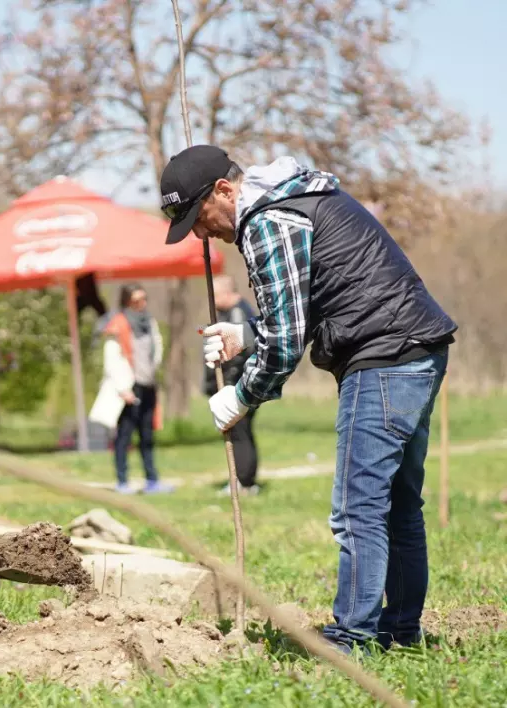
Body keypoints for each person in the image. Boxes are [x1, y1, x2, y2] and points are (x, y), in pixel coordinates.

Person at [160, 145, 456, 654]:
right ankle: (400, 632)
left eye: (200, 218)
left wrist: (241, 397)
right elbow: (314, 301)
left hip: (382, 356)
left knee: (358, 509)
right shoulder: (296, 201)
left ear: (225, 190)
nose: (203, 234)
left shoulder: (268, 221)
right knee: (398, 505)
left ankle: (352, 640)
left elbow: (286, 342)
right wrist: (242, 336)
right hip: (415, 348)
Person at [99, 284, 173, 494]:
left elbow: (156, 346)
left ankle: (152, 479)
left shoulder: (149, 322)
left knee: (147, 435)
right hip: (128, 388)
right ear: (127, 301)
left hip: (147, 384)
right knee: (124, 436)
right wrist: (123, 388)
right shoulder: (118, 324)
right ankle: (122, 481)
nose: (142, 304)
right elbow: (111, 358)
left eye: (144, 299)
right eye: (137, 300)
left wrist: (152, 369)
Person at [202, 274, 260, 495]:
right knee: (241, 432)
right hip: (240, 384)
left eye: (215, 294)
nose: (213, 299)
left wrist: (227, 385)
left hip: (238, 385)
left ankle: (243, 482)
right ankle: (246, 480)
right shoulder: (233, 312)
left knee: (239, 432)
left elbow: (238, 355)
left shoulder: (237, 315)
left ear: (228, 292)